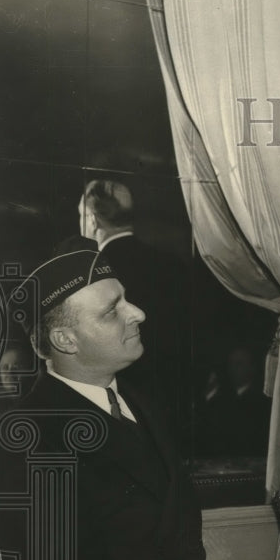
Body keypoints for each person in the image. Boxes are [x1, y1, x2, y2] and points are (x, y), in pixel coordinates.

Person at [0, 250, 208, 560]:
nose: (138, 313)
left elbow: (180, 533)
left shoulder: (145, 403)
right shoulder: (29, 435)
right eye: (113, 311)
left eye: (125, 299)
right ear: (66, 340)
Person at [79, 178, 192, 458]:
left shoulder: (93, 272)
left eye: (80, 215)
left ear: (92, 220)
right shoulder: (173, 265)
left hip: (119, 405)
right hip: (174, 401)